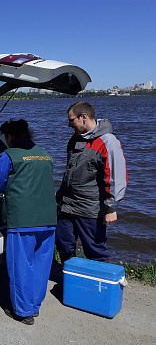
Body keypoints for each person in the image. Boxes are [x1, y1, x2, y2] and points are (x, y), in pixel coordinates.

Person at [0, 119, 57, 325]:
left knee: (21, 266)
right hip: (48, 219)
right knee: (41, 265)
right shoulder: (45, 154)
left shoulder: (9, 156)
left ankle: (23, 311)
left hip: (23, 220)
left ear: (9, 136)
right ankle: (34, 306)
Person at [56, 101, 127, 263]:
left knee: (95, 250)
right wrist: (60, 194)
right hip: (66, 206)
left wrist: (111, 208)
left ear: (84, 117)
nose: (69, 124)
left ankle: (100, 285)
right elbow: (70, 171)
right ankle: (68, 283)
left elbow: (116, 175)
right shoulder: (75, 138)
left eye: (71, 120)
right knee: (64, 245)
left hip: (90, 209)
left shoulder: (108, 142)